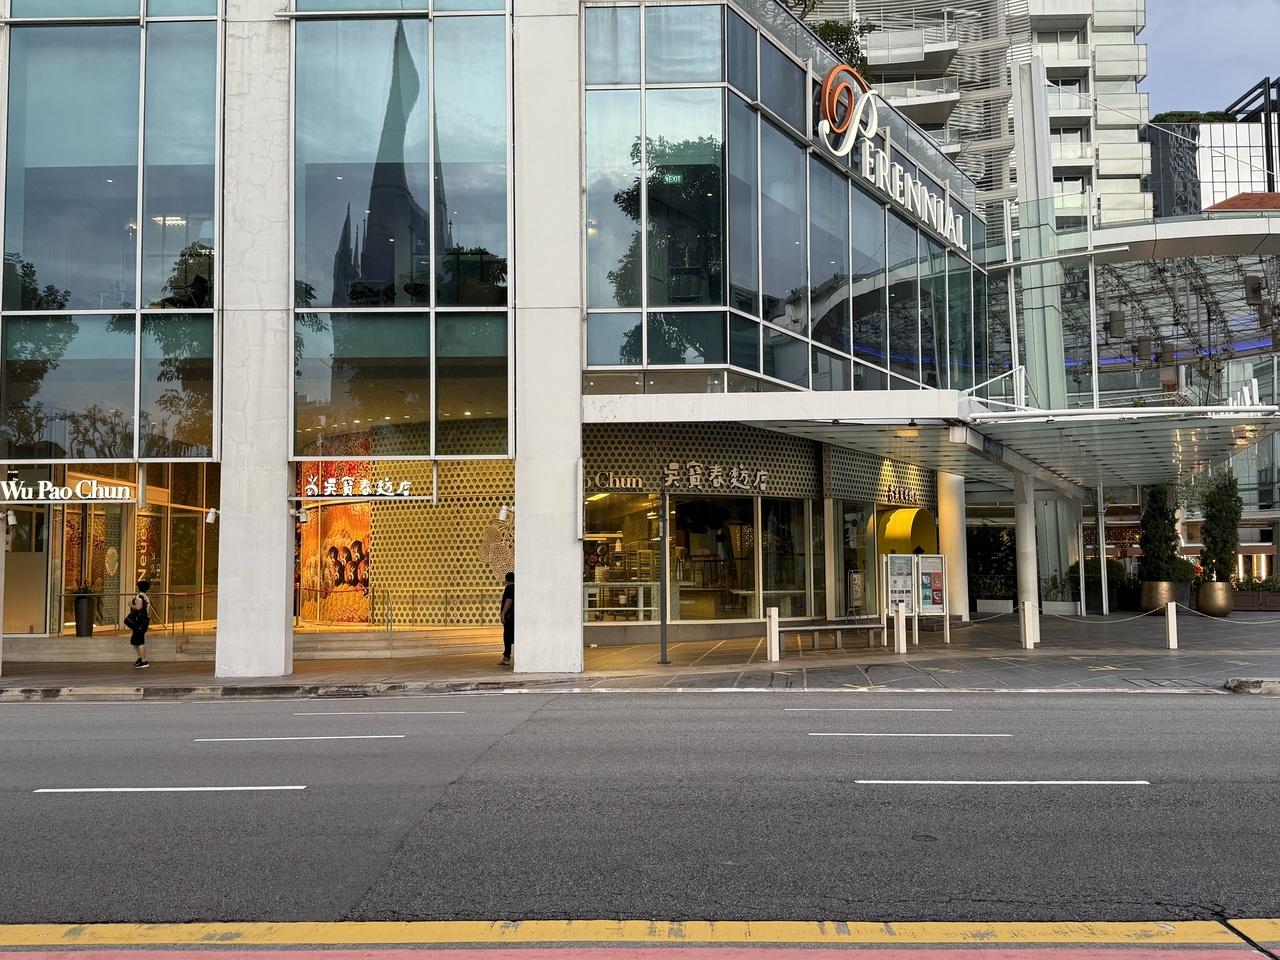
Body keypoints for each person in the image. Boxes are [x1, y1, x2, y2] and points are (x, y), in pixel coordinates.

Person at [125, 580, 152, 669]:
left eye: (137, 586)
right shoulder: (145, 596)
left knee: (139, 641)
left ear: (139, 587)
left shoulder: (139, 596)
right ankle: (140, 657)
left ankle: (144, 660)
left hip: (139, 622)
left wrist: (130, 604)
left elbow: (138, 608)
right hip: (143, 621)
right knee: (134, 641)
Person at [499, 571, 514, 666]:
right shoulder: (518, 588)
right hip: (516, 616)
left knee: (507, 637)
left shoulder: (509, 588)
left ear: (506, 579)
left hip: (510, 616)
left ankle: (506, 658)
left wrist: (503, 614)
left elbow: (508, 601)